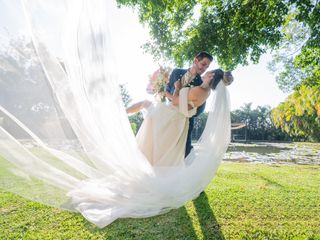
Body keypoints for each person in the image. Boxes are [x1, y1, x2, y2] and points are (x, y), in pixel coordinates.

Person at [132, 68, 233, 166]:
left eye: (209, 71)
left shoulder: (200, 90)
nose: (206, 72)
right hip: (178, 120)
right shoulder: (205, 91)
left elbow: (175, 101)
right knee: (160, 148)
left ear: (211, 76)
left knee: (146, 106)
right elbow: (186, 106)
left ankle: (121, 114)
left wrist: (177, 88)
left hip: (172, 117)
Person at [165, 52, 233, 157]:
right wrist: (162, 92)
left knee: (183, 155)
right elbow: (168, 88)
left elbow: (200, 109)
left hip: (184, 123)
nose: (205, 68)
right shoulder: (176, 72)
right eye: (203, 64)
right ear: (196, 60)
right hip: (167, 116)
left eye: (207, 66)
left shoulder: (201, 84)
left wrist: (183, 106)